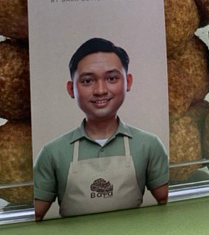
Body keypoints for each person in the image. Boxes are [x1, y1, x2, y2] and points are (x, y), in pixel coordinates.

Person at [33, 37, 169, 220]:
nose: (100, 90)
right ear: (71, 89)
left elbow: (171, 204)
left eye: (112, 78)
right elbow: (34, 215)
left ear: (128, 82)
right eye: (88, 81)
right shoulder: (52, 153)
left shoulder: (149, 145)